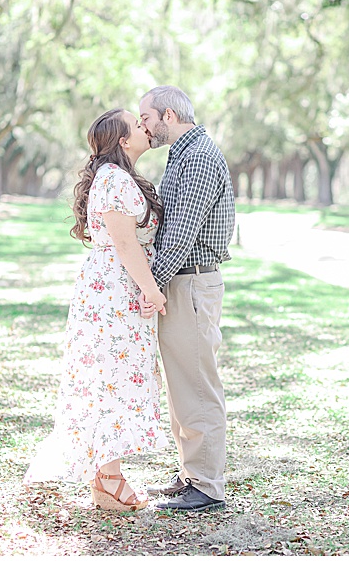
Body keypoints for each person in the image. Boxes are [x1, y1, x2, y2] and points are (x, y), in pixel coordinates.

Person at [24, 108, 169, 511]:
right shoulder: (114, 179)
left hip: (114, 288)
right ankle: (108, 480)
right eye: (138, 125)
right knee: (110, 379)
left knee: (113, 378)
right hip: (114, 292)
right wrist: (152, 290)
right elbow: (125, 244)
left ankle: (108, 476)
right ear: (124, 140)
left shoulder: (117, 177)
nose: (146, 128)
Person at [138, 85, 235, 512]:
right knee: (182, 384)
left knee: (197, 384)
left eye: (147, 119)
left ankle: (208, 486)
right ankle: (190, 474)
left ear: (168, 116)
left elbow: (180, 234)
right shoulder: (183, 153)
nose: (144, 127)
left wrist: (152, 286)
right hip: (183, 281)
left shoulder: (198, 158)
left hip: (191, 281)